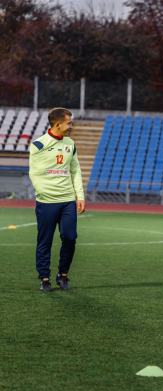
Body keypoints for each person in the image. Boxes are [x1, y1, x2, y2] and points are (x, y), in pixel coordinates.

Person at [29, 108, 85, 291]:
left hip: (68, 200)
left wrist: (79, 196)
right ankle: (44, 278)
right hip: (47, 202)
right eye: (69, 123)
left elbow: (75, 171)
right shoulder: (38, 145)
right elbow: (35, 174)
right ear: (57, 124)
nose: (71, 126)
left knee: (70, 237)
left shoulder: (71, 143)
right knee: (45, 241)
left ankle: (63, 275)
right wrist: (45, 194)